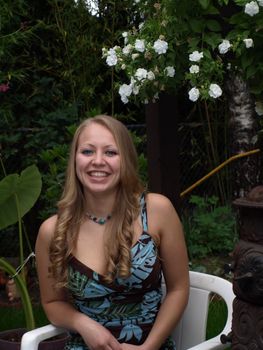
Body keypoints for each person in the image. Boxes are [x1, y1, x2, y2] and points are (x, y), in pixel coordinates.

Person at [36, 114, 189, 350]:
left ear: (126, 159)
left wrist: (148, 348)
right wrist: (83, 323)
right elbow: (52, 301)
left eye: (110, 152)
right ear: (75, 159)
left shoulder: (157, 211)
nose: (98, 161)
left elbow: (178, 289)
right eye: (87, 151)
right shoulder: (54, 231)